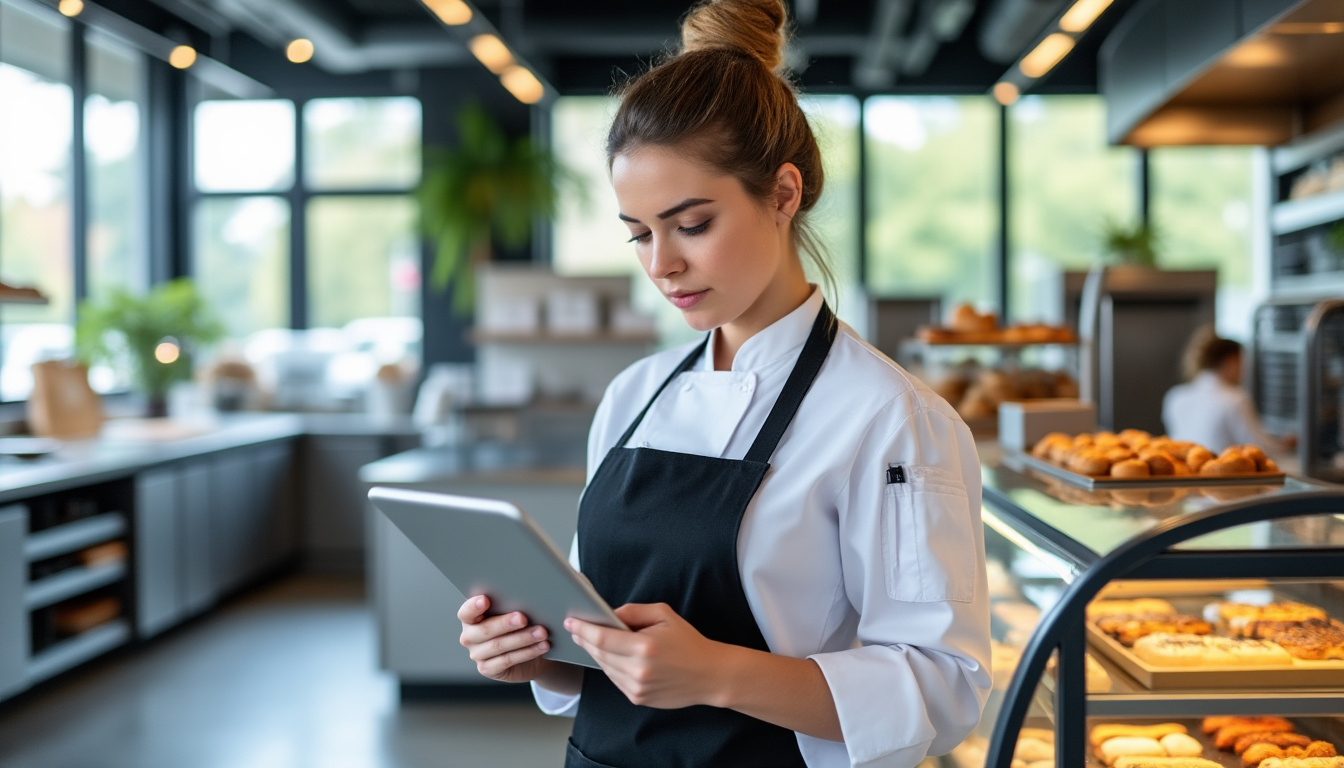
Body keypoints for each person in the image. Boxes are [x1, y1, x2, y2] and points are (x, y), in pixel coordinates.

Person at [456, 1, 991, 765]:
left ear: (782, 193)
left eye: (692, 224)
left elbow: (943, 688)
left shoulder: (890, 419)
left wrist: (720, 674)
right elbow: (601, 638)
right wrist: (535, 651)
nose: (660, 264)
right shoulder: (633, 397)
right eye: (639, 233)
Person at [1163, 325, 1294, 456]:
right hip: (1223, 472)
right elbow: (1261, 449)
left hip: (1186, 473)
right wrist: (1286, 445)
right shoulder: (1234, 399)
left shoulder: (1175, 396)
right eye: (1242, 362)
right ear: (1230, 361)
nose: (1244, 370)